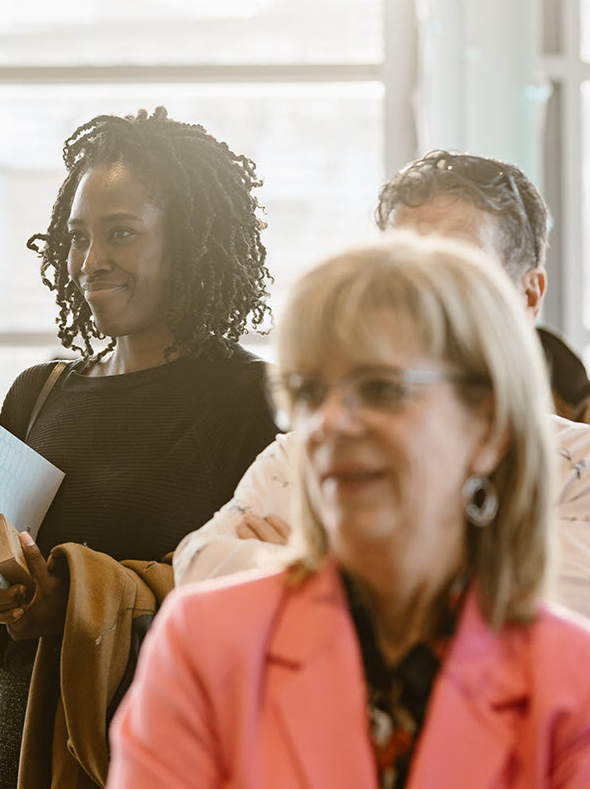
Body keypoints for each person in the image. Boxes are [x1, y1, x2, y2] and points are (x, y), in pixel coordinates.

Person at [109, 235, 590, 788]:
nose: (327, 425)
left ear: (488, 427)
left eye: (380, 389)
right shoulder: (205, 642)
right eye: (309, 392)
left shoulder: (569, 680)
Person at [0, 107, 279, 788]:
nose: (90, 261)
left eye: (122, 234)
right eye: (77, 237)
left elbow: (260, 600)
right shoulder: (37, 395)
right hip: (26, 753)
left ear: (191, 242)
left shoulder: (255, 403)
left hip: (164, 752)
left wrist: (73, 601)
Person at [173, 150, 590, 617]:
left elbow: (539, 619)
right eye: (398, 274)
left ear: (528, 296)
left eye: (453, 276)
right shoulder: (306, 448)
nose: (416, 304)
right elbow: (197, 570)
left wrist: (306, 571)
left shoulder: (581, 466)